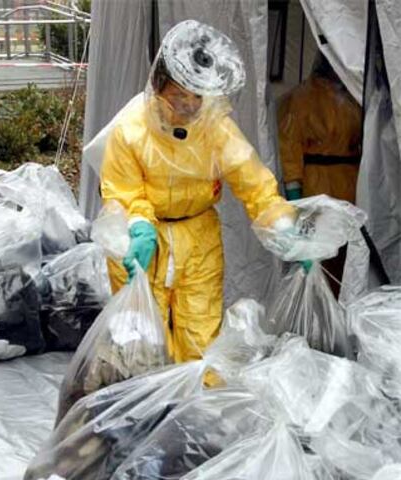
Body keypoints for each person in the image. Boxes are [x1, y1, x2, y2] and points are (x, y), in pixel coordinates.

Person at [100, 20, 296, 363]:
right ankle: (147, 409)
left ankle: (193, 405)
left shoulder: (215, 128)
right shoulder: (130, 129)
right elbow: (122, 189)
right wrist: (137, 224)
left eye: (195, 97)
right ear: (159, 87)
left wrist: (280, 223)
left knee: (200, 332)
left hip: (199, 238)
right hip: (144, 241)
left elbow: (250, 177)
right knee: (142, 338)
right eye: (178, 96)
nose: (187, 106)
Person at [278, 53, 363, 295]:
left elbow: (289, 147)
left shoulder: (351, 94)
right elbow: (290, 146)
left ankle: (332, 312)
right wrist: (295, 192)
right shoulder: (306, 98)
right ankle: (325, 312)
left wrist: (295, 190)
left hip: (334, 185)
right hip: (329, 187)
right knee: (326, 255)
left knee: (336, 255)